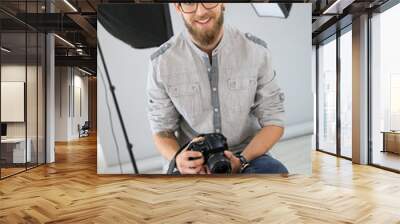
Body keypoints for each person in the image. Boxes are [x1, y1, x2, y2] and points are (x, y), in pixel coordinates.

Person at [146, 3, 288, 174]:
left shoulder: (256, 52)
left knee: (275, 174)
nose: (201, 11)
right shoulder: (161, 63)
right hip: (192, 162)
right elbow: (162, 131)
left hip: (247, 155)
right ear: (178, 7)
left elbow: (274, 120)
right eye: (190, 3)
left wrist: (241, 160)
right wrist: (178, 158)